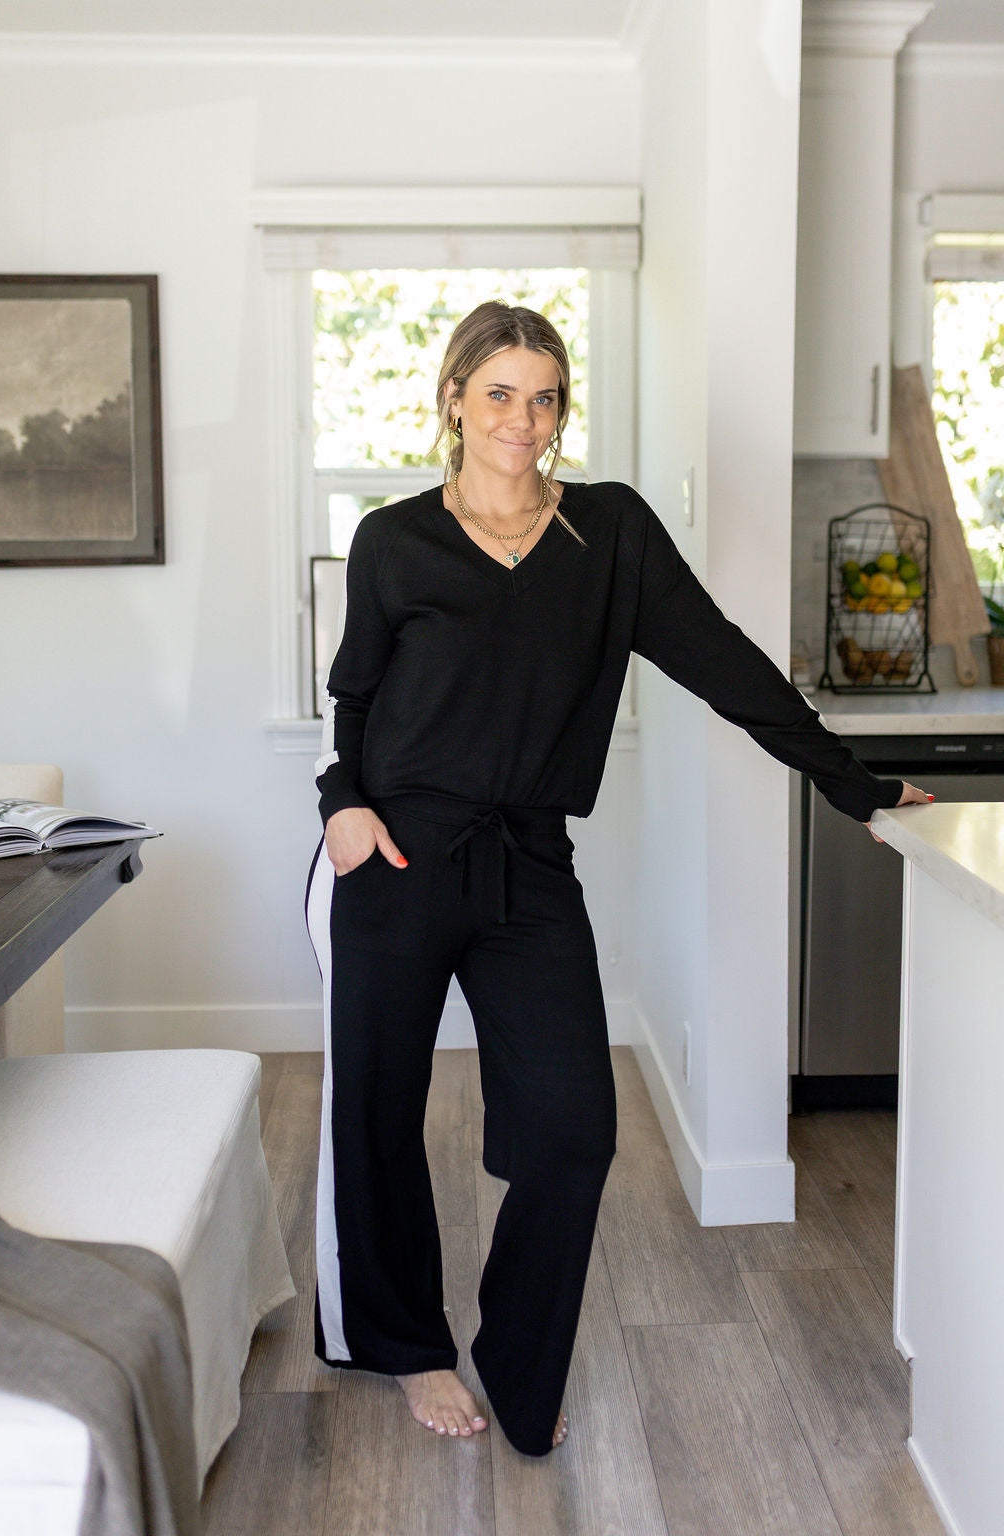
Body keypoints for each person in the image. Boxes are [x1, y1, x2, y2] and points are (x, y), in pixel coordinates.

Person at [304, 300, 929, 1458]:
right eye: (499, 393)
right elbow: (352, 699)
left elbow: (726, 664)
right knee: (378, 1115)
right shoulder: (394, 541)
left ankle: (518, 1361)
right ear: (453, 400)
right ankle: (409, 1347)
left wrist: (856, 786)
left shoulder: (609, 535)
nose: (522, 418)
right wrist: (341, 803)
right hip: (391, 853)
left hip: (529, 863)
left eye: (543, 397)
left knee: (573, 1130)